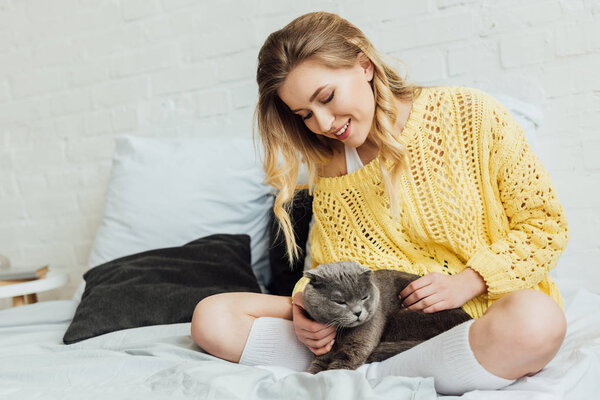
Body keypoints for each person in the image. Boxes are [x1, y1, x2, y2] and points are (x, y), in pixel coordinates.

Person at [190, 11, 569, 395]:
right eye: (305, 114)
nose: (322, 123)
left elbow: (546, 225)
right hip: (372, 329)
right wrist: (305, 304)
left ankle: (366, 377)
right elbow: (333, 269)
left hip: (468, 324)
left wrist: (467, 283)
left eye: (326, 98)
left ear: (364, 65)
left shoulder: (468, 114)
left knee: (538, 320)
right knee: (213, 317)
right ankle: (387, 372)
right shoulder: (331, 166)